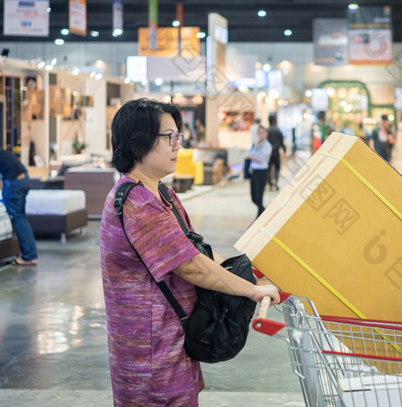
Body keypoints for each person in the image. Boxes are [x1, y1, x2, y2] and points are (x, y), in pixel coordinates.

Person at [99, 98, 279, 406]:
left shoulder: (160, 193)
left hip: (172, 338)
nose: (177, 145)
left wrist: (251, 275)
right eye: (169, 137)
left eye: (178, 136)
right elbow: (192, 266)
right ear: (137, 144)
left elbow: (197, 250)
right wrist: (250, 290)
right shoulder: (138, 203)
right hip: (151, 351)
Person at [246, 126, 272, 217]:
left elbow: (262, 159)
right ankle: (264, 212)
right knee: (253, 197)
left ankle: (259, 217)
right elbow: (249, 154)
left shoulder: (267, 146)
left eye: (262, 132)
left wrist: (252, 157)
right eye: (259, 133)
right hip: (254, 171)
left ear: (266, 134)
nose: (261, 135)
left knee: (259, 196)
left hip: (262, 172)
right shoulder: (256, 144)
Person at [266, 114, 285, 191]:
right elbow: (281, 141)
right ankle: (276, 182)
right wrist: (284, 149)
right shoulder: (277, 130)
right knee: (277, 167)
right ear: (274, 120)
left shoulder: (267, 130)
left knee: (269, 168)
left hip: (268, 153)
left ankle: (270, 183)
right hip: (276, 152)